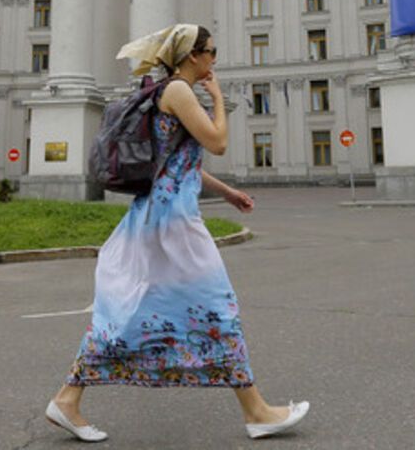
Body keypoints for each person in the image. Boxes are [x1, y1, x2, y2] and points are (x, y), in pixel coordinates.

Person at [45, 23, 309, 442]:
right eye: (211, 51)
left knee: (134, 311)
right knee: (216, 309)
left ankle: (68, 398)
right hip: (172, 224)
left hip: (160, 217)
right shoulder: (179, 92)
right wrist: (219, 99)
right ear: (192, 55)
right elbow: (218, 142)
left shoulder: (170, 94)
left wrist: (227, 193)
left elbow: (181, 163)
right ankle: (257, 411)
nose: (214, 60)